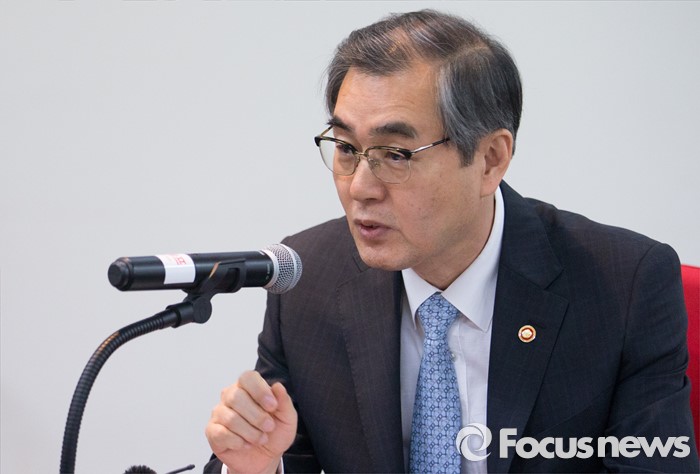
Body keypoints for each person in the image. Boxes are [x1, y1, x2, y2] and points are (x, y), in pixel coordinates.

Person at [203, 9, 699, 473]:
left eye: (396, 154)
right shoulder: (309, 280)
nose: (360, 188)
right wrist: (256, 466)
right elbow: (284, 455)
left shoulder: (625, 286)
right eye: (347, 148)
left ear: (490, 159)